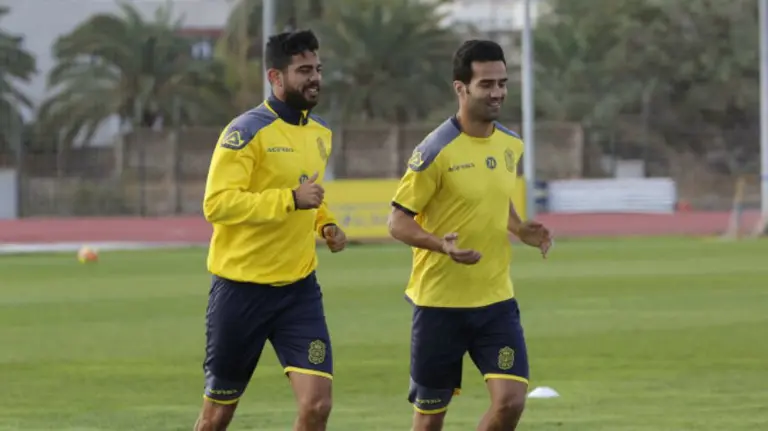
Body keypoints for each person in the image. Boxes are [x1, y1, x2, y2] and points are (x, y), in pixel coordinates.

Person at [387, 39, 553, 431]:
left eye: (503, 83)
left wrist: (519, 227)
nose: (497, 92)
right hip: (439, 305)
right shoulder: (434, 151)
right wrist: (439, 245)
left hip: (496, 302)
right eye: (486, 84)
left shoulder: (511, 143)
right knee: (429, 420)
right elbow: (397, 222)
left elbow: (494, 196)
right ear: (460, 88)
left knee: (511, 402)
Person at [195, 29, 347, 431]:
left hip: (299, 293)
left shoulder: (321, 133)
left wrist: (325, 222)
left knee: (317, 406)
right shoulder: (245, 133)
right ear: (275, 78)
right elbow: (217, 204)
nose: (314, 78)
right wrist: (289, 200)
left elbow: (310, 191)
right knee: (216, 416)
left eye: (317, 69)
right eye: (302, 71)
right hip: (240, 291)